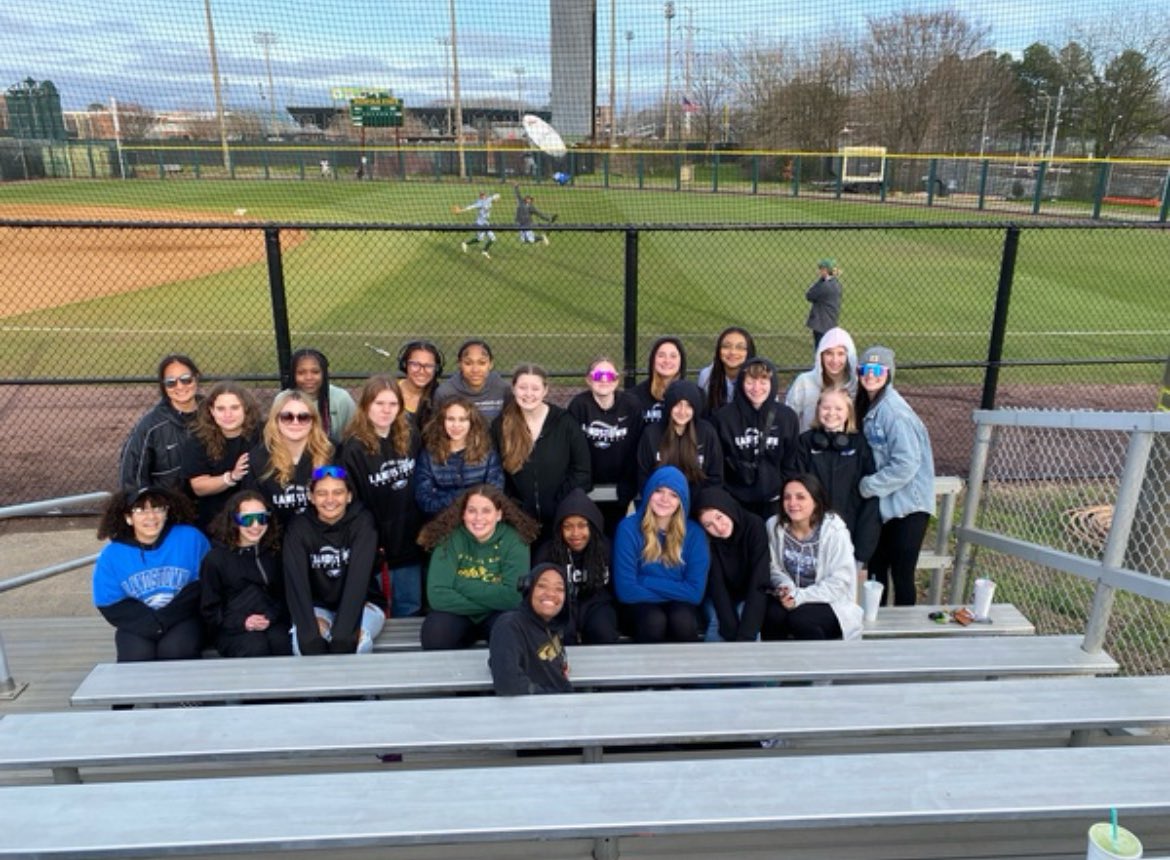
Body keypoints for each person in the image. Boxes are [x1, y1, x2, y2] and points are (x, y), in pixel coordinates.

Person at [855, 346, 936, 606]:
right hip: (888, 507)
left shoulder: (893, 412)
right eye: (865, 369)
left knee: (901, 576)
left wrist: (869, 486)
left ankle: (904, 638)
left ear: (888, 373)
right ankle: (876, 628)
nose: (871, 375)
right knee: (877, 571)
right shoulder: (872, 405)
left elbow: (906, 463)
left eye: (878, 370)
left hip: (908, 507)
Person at [338, 376, 424, 617]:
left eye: (392, 404)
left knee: (410, 607)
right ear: (366, 405)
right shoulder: (353, 448)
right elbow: (352, 501)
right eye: (379, 403)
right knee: (379, 610)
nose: (386, 410)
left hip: (409, 540)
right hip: (377, 545)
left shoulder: (409, 435)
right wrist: (372, 539)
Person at [92, 486, 209, 662]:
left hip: (182, 616)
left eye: (157, 508)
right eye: (140, 510)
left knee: (175, 651)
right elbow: (109, 602)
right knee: (137, 656)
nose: (151, 517)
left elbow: (205, 583)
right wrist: (153, 625)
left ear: (167, 512)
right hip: (137, 623)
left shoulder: (190, 538)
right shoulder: (112, 555)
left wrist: (165, 619)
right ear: (128, 518)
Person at [417, 484, 540, 650]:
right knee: (434, 635)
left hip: (498, 615)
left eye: (486, 511)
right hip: (458, 613)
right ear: (463, 514)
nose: (478, 518)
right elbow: (437, 595)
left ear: (499, 514)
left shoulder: (515, 540)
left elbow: (513, 596)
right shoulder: (450, 538)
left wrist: (458, 583)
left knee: (512, 633)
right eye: (472, 511)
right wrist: (495, 595)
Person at [283, 465, 386, 655]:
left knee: (357, 645)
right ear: (311, 497)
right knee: (304, 646)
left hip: (364, 604)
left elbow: (358, 580)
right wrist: (310, 630)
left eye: (338, 492)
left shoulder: (362, 523)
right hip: (318, 607)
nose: (330, 500)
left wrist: (343, 636)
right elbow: (296, 583)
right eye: (322, 493)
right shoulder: (298, 528)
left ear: (349, 496)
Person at [613, 465, 709, 643]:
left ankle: (686, 670)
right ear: (649, 492)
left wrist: (645, 580)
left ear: (682, 500)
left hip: (679, 607)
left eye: (674, 494)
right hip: (638, 607)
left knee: (683, 621)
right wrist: (677, 587)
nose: (665, 499)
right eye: (659, 491)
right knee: (654, 621)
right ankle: (645, 670)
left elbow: (695, 593)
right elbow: (626, 590)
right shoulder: (628, 528)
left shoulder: (694, 534)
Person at [492, 363, 592, 532]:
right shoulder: (501, 425)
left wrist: (559, 503)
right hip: (517, 522)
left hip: (560, 520)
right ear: (514, 389)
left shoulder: (564, 422)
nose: (529, 394)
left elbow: (582, 472)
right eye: (523, 387)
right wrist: (515, 507)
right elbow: (495, 473)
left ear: (545, 390)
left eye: (535, 388)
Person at [763, 474, 862, 640]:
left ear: (815, 501)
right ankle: (775, 663)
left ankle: (817, 664)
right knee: (772, 615)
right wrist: (785, 587)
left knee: (801, 619)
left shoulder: (834, 531)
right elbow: (773, 567)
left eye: (800, 497)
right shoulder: (774, 526)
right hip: (789, 597)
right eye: (787, 497)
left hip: (829, 601)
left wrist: (799, 597)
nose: (792, 503)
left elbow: (840, 582)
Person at [199, 489, 291, 657]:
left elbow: (284, 597)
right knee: (255, 647)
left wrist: (270, 616)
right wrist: (243, 622)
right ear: (233, 521)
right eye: (248, 519)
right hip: (232, 628)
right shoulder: (216, 559)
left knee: (282, 642)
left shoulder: (274, 552)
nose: (256, 526)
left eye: (262, 518)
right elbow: (209, 610)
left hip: (271, 621)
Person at [797, 387, 881, 571]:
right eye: (826, 408)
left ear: (848, 413)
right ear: (818, 410)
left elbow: (871, 499)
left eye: (838, 408)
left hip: (849, 538)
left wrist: (862, 552)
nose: (831, 413)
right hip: (811, 539)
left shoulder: (860, 445)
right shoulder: (804, 443)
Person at [711, 357, 801, 520]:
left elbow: (791, 463)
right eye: (751, 381)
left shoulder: (787, 417)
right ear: (741, 383)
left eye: (763, 381)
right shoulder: (724, 418)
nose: (756, 388)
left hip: (774, 501)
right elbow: (718, 465)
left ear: (772, 384)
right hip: (736, 501)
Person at [566, 356, 642, 535]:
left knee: (614, 532)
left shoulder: (631, 406)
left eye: (609, 375)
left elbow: (636, 448)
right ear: (588, 379)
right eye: (598, 375)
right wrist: (582, 482)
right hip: (588, 487)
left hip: (620, 487)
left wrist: (628, 484)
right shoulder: (579, 406)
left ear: (617, 380)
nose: (603, 380)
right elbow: (573, 450)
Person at [533, 489, 619, 644]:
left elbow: (614, 588)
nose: (575, 533)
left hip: (596, 602)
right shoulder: (547, 552)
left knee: (603, 631)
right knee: (563, 633)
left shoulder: (605, 548)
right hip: (559, 603)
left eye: (582, 525)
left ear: (592, 526)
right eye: (568, 526)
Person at [246, 390, 333, 531]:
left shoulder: (332, 453)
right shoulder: (259, 459)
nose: (295, 422)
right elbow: (252, 507)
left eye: (303, 417)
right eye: (287, 417)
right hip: (276, 538)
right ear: (276, 420)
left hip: (323, 536)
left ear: (313, 421)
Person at [182, 381, 262, 531]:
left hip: (257, 516)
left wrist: (319, 472)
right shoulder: (198, 440)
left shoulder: (262, 434)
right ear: (211, 411)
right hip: (217, 518)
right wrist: (232, 477)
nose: (228, 415)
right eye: (220, 409)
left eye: (234, 407)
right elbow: (198, 487)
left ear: (246, 408)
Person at [694, 487, 770, 642]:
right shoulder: (708, 540)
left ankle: (750, 664)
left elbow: (760, 578)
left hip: (749, 592)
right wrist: (729, 626)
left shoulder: (754, 525)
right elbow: (716, 583)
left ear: (727, 508)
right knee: (718, 621)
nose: (718, 527)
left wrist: (746, 635)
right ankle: (711, 665)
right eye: (709, 525)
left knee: (747, 620)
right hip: (717, 595)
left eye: (719, 517)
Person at [119, 353, 203, 491]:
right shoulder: (151, 426)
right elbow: (132, 479)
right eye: (171, 382)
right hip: (169, 507)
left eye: (186, 379)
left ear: (196, 378)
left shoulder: (215, 414)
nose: (180, 387)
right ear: (163, 386)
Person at [489, 563, 572, 696]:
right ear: (528, 588)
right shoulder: (509, 626)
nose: (551, 593)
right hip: (535, 709)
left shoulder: (552, 626)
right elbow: (508, 684)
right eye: (542, 586)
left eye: (559, 589)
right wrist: (552, 695)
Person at [414, 398, 504, 517]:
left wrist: (443, 494)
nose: (456, 425)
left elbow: (494, 494)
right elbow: (425, 501)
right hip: (441, 522)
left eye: (463, 419)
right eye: (451, 419)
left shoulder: (487, 453)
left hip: (479, 521)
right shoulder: (429, 455)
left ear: (472, 422)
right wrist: (472, 493)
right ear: (442, 422)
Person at [636, 380, 723, 495]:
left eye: (688, 406)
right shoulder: (652, 433)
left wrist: (703, 506)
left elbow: (715, 478)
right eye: (677, 404)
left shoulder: (706, 433)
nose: (682, 411)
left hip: (698, 504)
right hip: (661, 504)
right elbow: (643, 477)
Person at [786, 327, 858, 433]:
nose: (835, 360)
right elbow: (789, 419)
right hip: (807, 445)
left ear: (849, 357)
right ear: (820, 356)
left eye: (841, 354)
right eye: (829, 353)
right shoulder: (804, 382)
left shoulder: (857, 385)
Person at [289, 348, 355, 444]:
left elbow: (354, 436)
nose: (309, 378)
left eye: (315, 372)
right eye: (301, 373)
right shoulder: (283, 400)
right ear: (293, 375)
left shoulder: (341, 399)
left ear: (324, 373)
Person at [433, 338, 511, 420]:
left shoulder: (503, 389)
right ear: (459, 364)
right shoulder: (445, 393)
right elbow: (437, 427)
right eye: (468, 363)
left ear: (490, 364)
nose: (475, 370)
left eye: (482, 363)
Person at [629, 336, 687, 428]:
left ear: (681, 361)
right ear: (653, 360)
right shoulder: (634, 397)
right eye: (661, 356)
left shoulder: (692, 395)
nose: (667, 361)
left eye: (673, 356)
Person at [696, 327, 756, 415]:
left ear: (749, 351)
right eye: (726, 346)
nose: (733, 352)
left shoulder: (759, 377)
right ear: (718, 350)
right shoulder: (707, 375)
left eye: (740, 347)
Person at [395, 339, 444, 429]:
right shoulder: (390, 392)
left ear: (436, 369)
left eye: (429, 366)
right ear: (405, 365)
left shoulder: (439, 396)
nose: (421, 371)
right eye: (415, 364)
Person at [805, 258, 843, 351]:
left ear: (825, 270)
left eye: (821, 269)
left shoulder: (825, 286)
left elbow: (809, 295)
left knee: (820, 349)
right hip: (829, 321)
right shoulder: (836, 284)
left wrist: (820, 280)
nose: (819, 271)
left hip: (821, 322)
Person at [456, 191, 500, 259]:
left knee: (493, 238)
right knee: (479, 239)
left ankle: (484, 251)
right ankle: (465, 243)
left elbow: (496, 196)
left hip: (486, 223)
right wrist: (461, 211)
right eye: (481, 195)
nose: (482, 196)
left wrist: (496, 199)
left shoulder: (488, 199)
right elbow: (470, 207)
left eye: (483, 195)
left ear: (485, 195)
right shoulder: (479, 203)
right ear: (480, 196)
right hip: (479, 224)